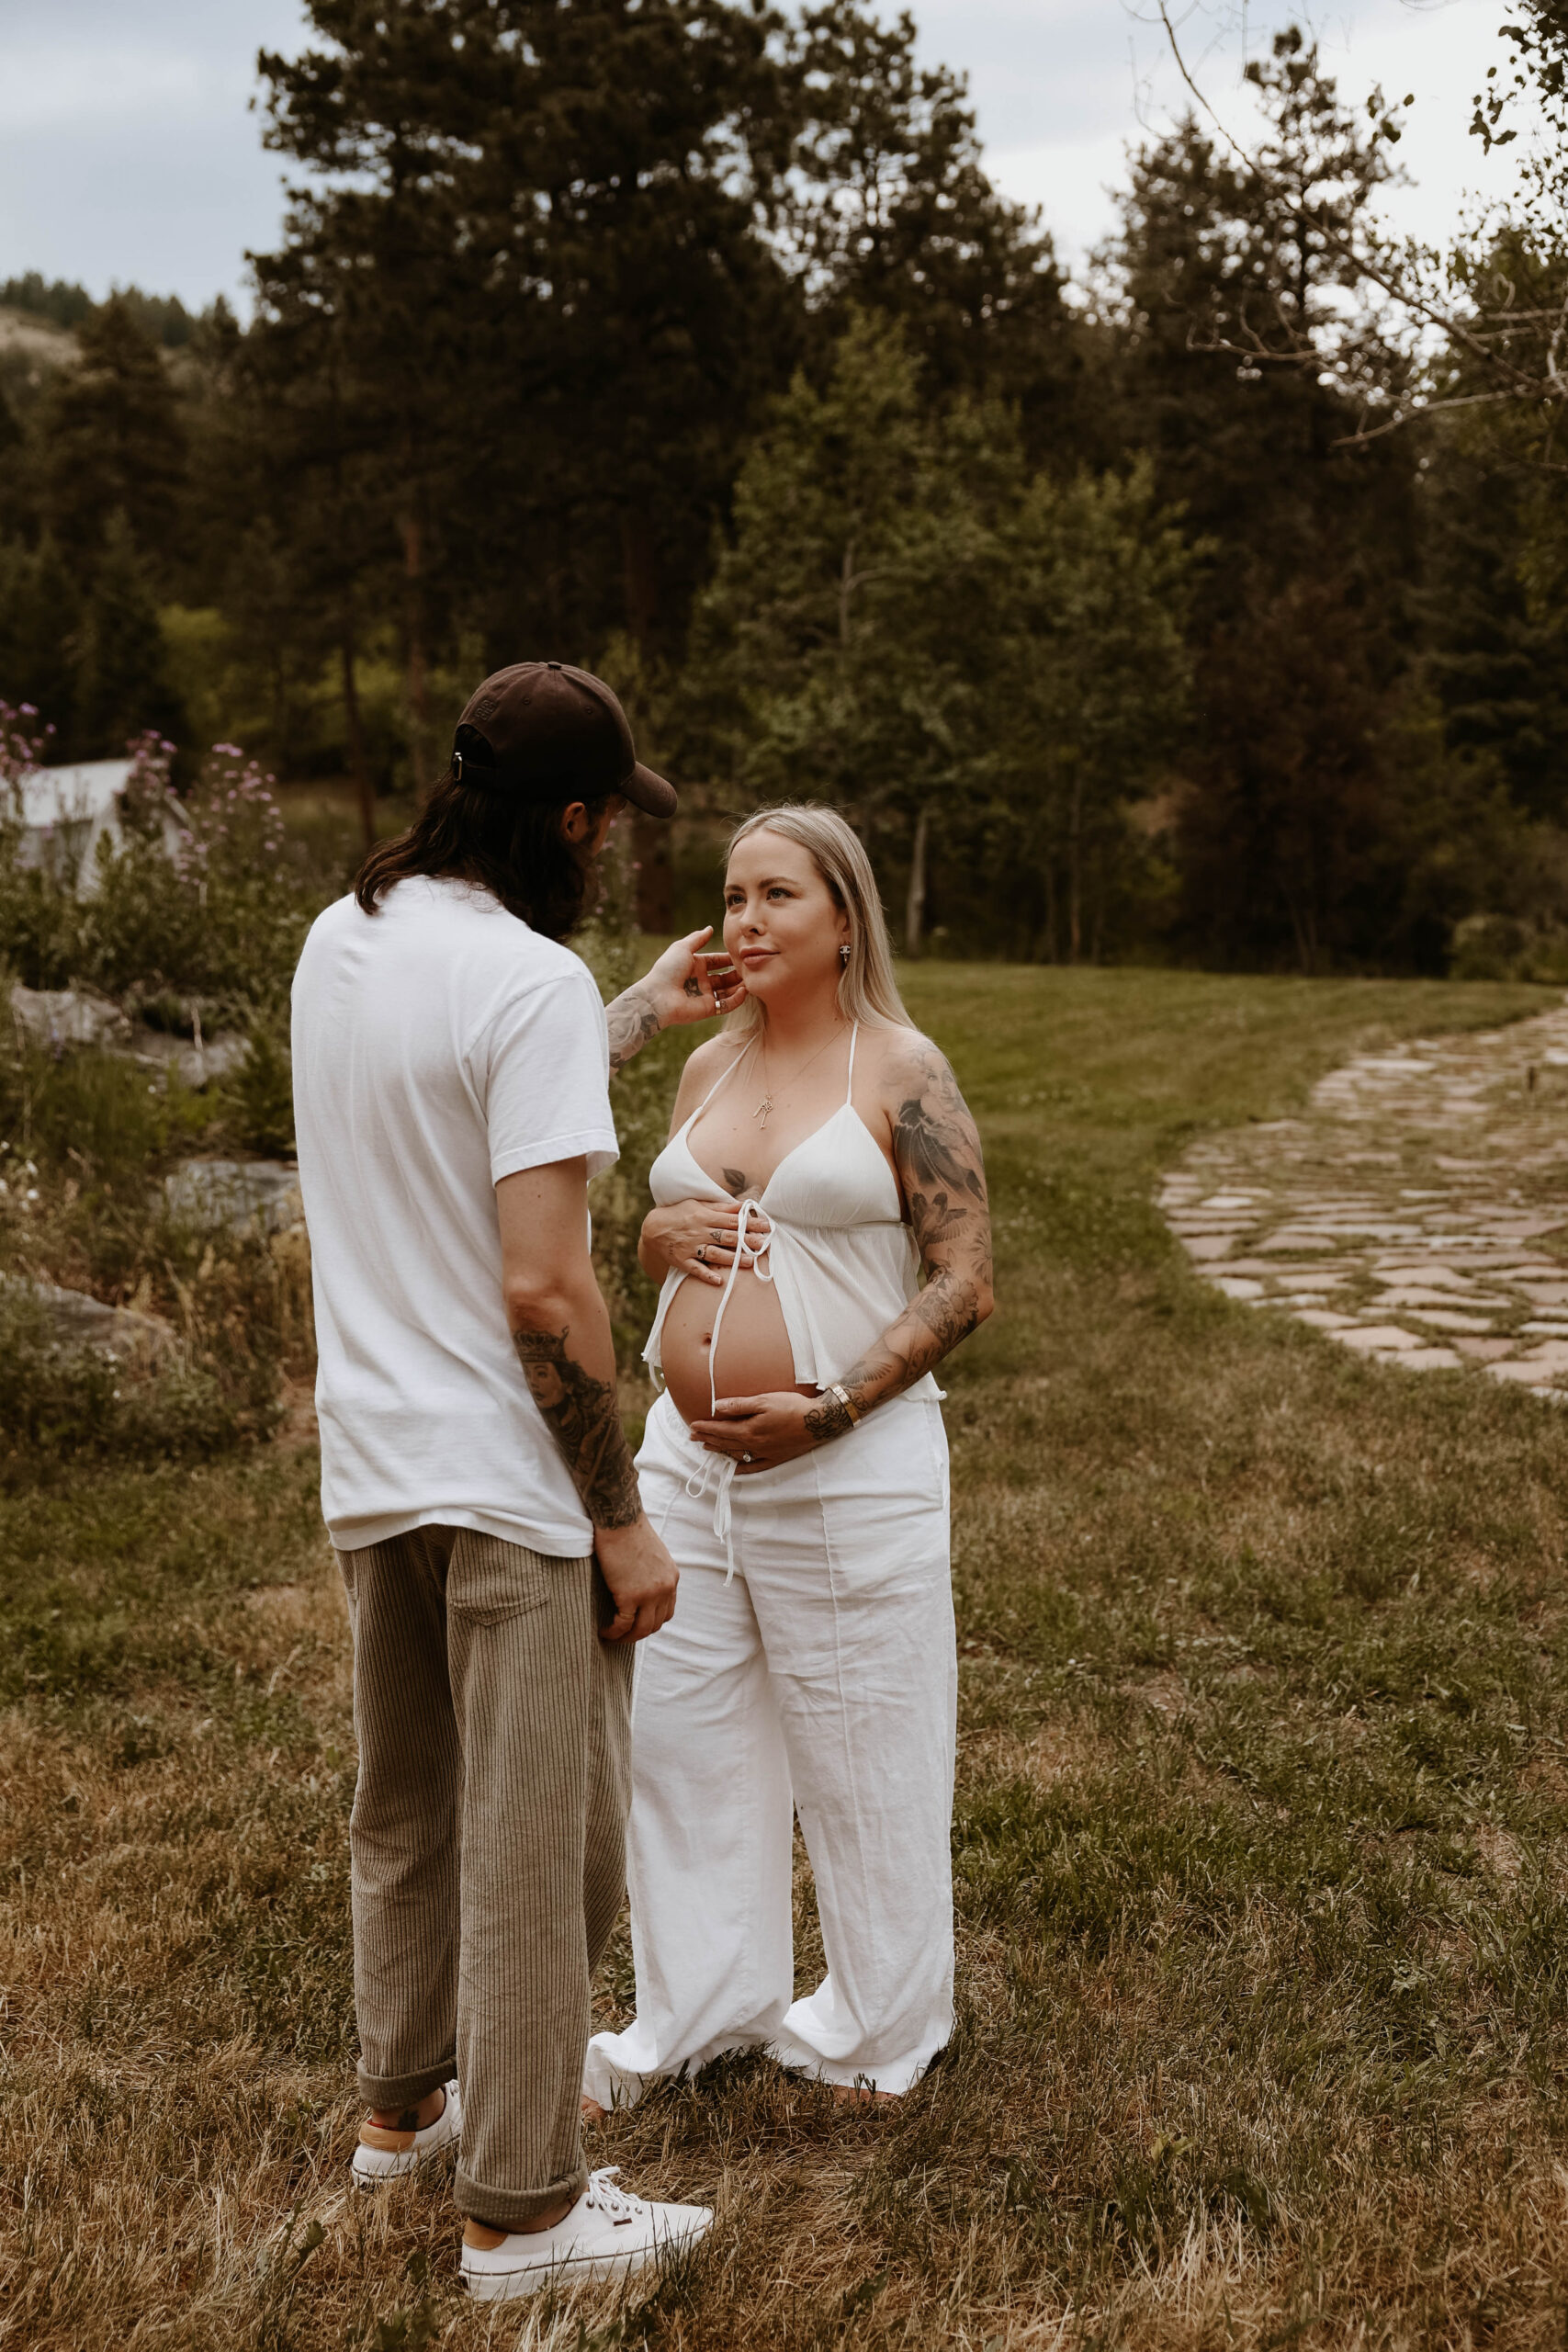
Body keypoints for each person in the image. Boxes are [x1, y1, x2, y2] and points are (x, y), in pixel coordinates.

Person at [291, 661, 742, 2301]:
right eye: (613, 820)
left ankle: (403, 2116)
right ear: (568, 818)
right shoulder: (527, 979)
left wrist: (626, 1012)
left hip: (376, 1470)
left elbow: (442, 1108)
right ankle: (529, 2215)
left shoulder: (343, 936)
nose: (616, 848)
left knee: (404, 1812)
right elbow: (547, 1291)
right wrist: (619, 1518)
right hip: (507, 1484)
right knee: (548, 1842)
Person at [582, 804, 993, 2120]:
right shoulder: (706, 1069)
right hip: (686, 1468)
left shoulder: (901, 1067)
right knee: (685, 1745)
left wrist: (831, 1407)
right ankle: (698, 2012)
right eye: (732, 897)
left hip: (846, 1466)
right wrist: (654, 1241)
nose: (745, 922)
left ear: (844, 917)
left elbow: (965, 1280)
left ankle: (881, 2023)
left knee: (864, 1750)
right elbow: (607, 1158)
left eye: (776, 898)